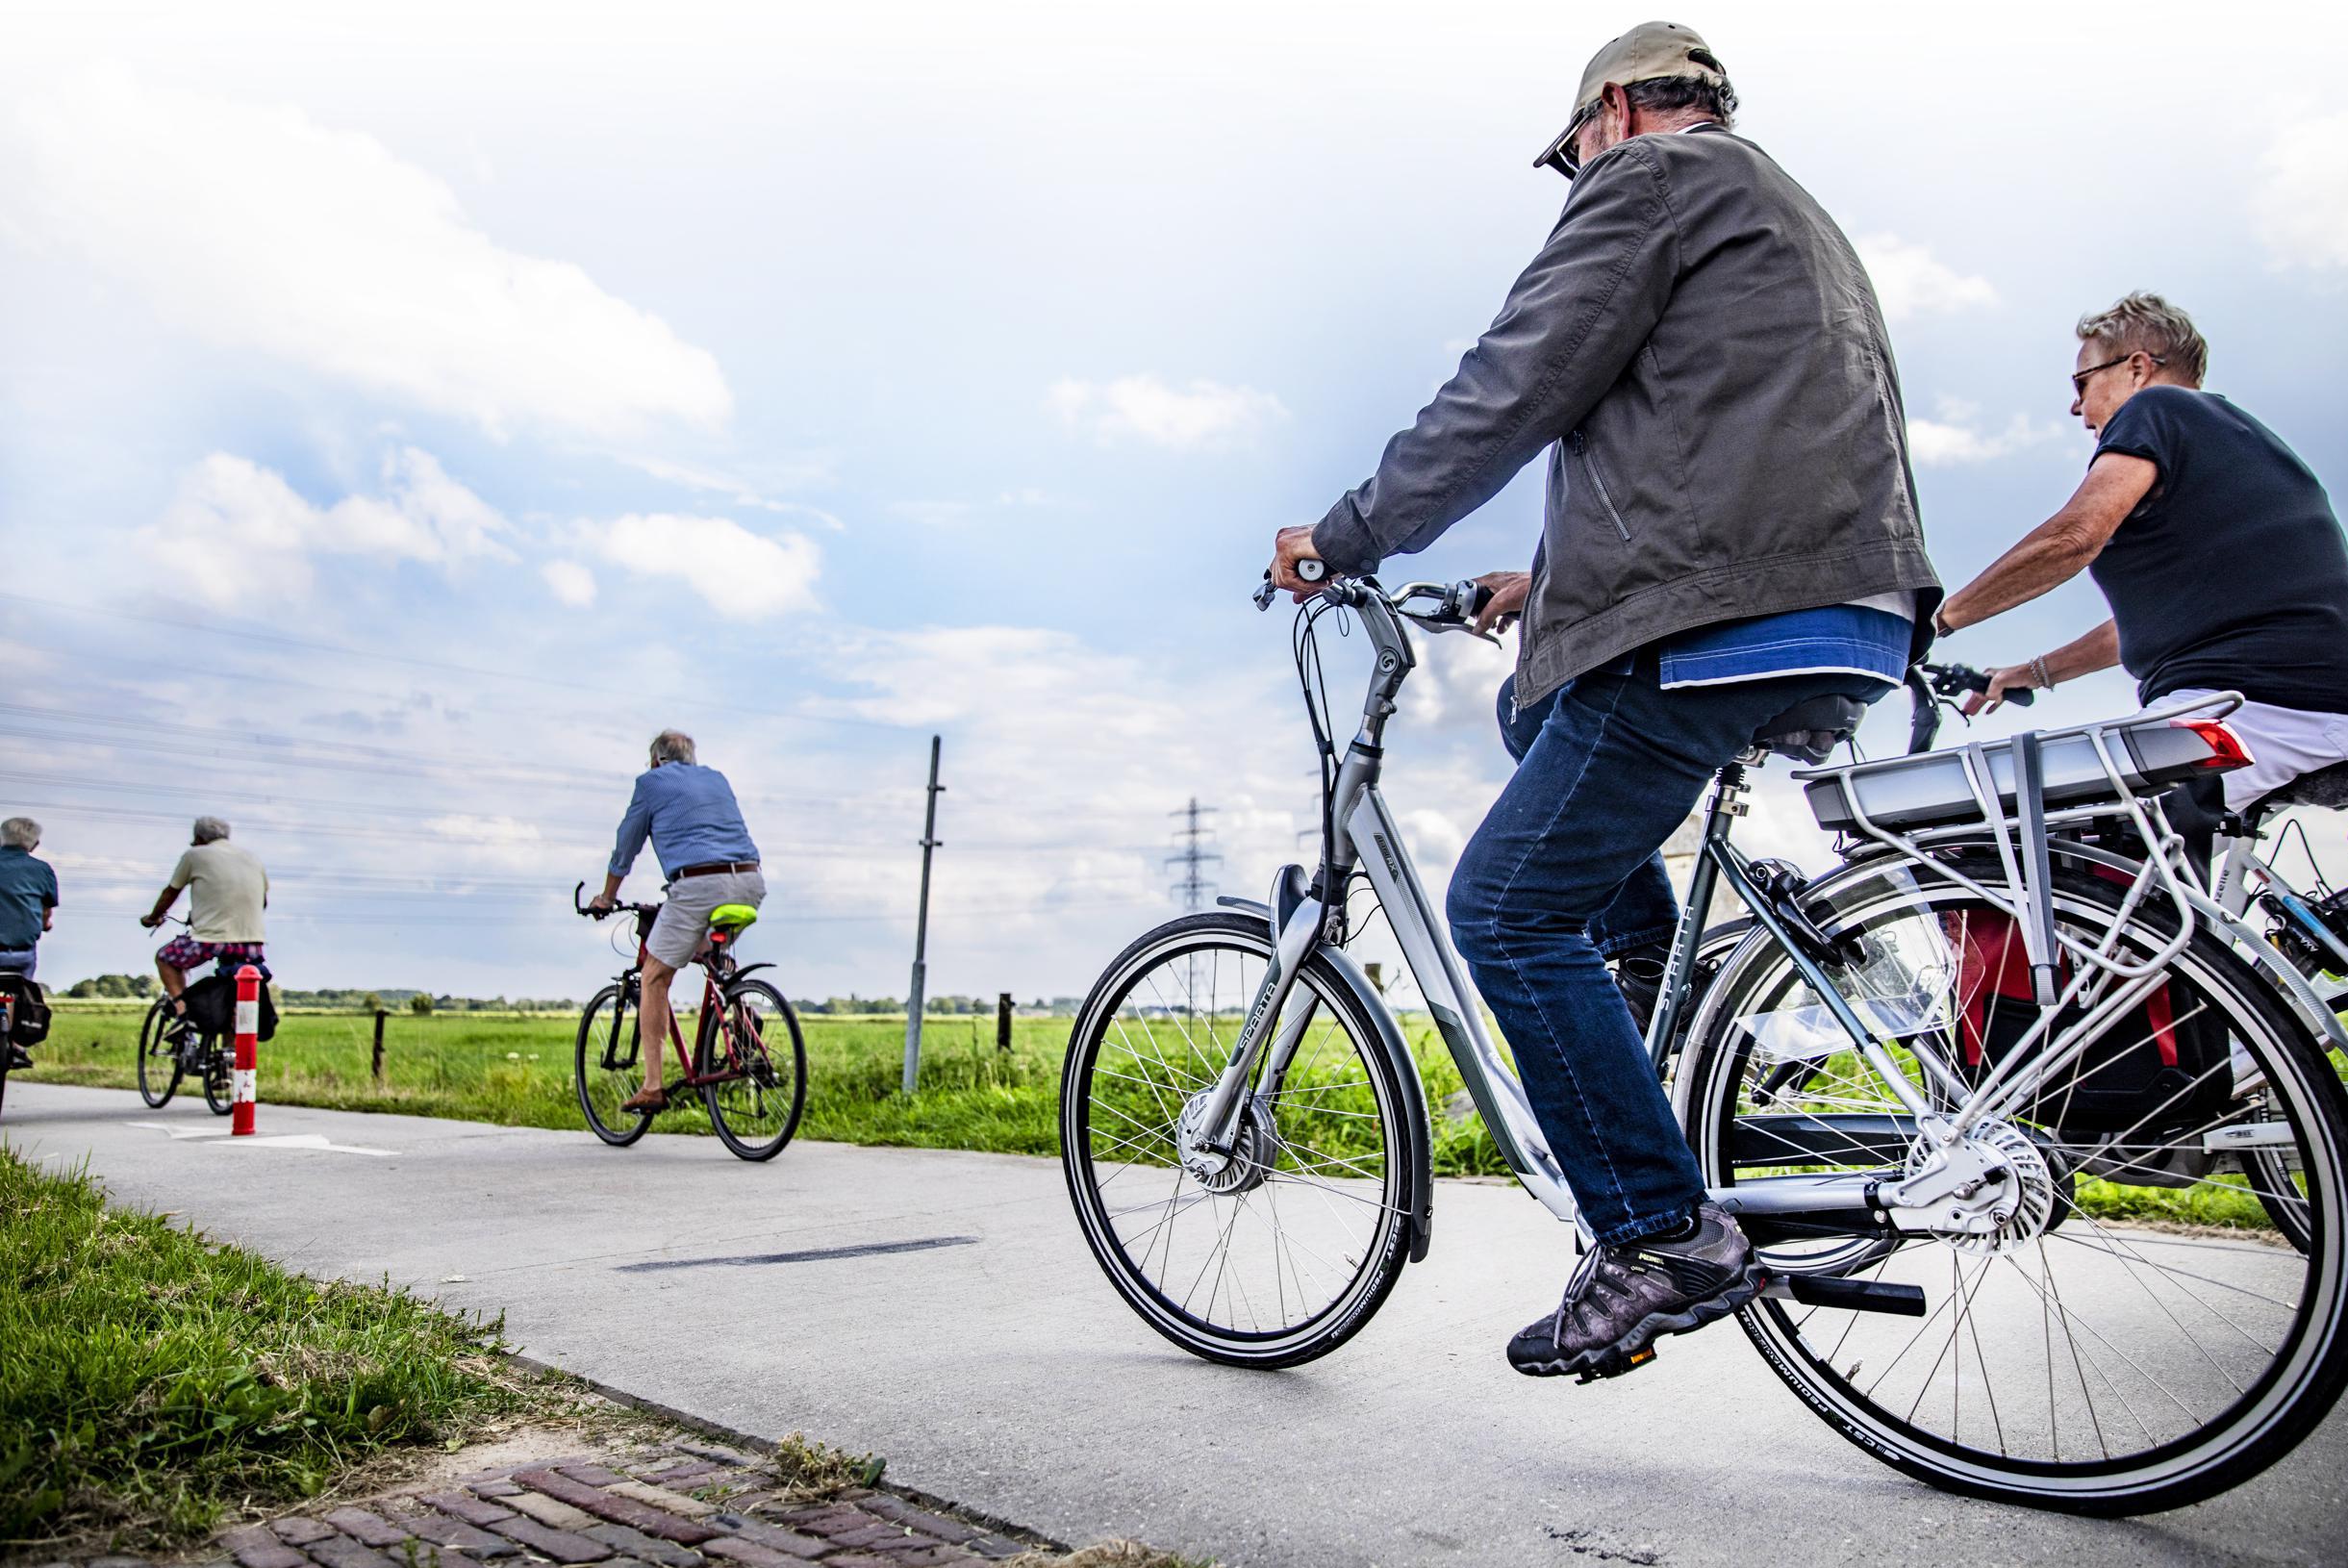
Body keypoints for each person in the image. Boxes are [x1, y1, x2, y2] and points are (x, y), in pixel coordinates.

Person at [1267, 20, 1938, 1381]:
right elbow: (1721, 434)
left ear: (1619, 110)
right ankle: (1644, 985)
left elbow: (1511, 383)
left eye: (1569, 149)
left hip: (1725, 614)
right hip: (1838, 602)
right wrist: (1552, 578)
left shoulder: (1651, 183)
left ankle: (1653, 1232)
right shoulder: (1788, 211)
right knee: (1536, 717)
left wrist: (1346, 535)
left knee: (1503, 911)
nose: (1570, 175)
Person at [1937, 292, 2348, 846]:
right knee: (2161, 874)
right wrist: (2032, 672)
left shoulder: (2158, 411)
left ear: (2136, 367)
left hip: (2259, 702)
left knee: (2057, 826)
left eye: (2080, 383)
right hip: (2303, 696)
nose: (2076, 408)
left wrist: (1937, 621)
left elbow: (2074, 537)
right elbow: (2141, 626)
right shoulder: (2237, 438)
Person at [588, 730, 764, 1113]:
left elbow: (627, 844)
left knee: (654, 975)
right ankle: (741, 1015)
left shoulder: (650, 783)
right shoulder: (716, 778)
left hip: (698, 885)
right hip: (749, 881)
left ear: (656, 761)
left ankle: (652, 1088)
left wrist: (608, 896)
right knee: (709, 952)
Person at [139, 816, 268, 1017]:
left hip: (210, 939)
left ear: (199, 838)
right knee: (237, 990)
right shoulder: (252, 858)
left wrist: (154, 917)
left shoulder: (195, 855)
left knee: (165, 959)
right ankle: (229, 1045)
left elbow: (171, 893)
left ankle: (183, 1013)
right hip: (251, 942)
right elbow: (263, 902)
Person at [1, 816, 58, 1069]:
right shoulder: (42, 870)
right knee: (20, 987)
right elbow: (46, 912)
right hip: (22, 953)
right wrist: (44, 923)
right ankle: (17, 1046)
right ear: (33, 844)